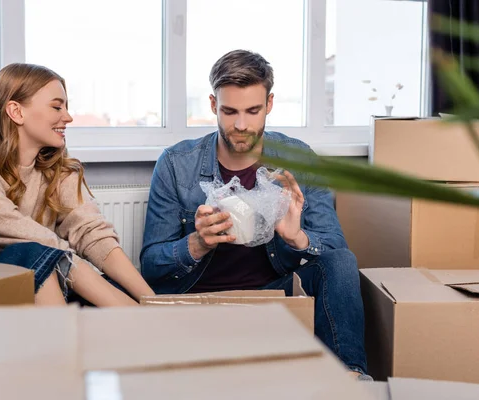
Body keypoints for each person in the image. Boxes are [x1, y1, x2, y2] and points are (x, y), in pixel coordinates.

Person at [140, 50, 369, 378]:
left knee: (341, 261)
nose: (242, 125)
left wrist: (297, 237)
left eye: (253, 110)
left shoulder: (299, 159)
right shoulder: (177, 164)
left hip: (274, 296)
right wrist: (197, 243)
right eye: (229, 111)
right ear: (212, 105)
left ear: (270, 104)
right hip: (201, 301)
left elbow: (334, 249)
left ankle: (352, 380)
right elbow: (150, 265)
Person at [0, 63, 155, 306]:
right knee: (33, 253)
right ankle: (129, 328)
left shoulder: (58, 171)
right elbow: (43, 247)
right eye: (57, 106)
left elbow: (93, 235)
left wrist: (151, 301)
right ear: (16, 112)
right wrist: (135, 313)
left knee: (119, 285)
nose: (68, 117)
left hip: (43, 289)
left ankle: (150, 317)